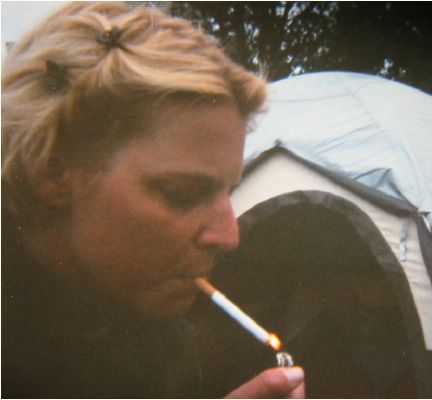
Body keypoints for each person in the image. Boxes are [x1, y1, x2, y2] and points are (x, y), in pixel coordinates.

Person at [1, 2, 305, 398]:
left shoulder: (157, 339)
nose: (229, 237)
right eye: (183, 194)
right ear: (52, 168)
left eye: (229, 192)